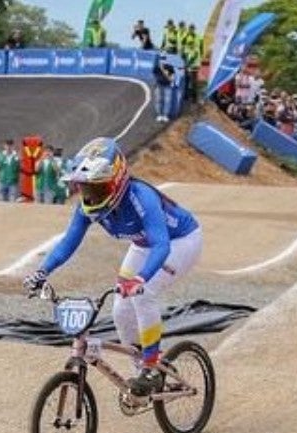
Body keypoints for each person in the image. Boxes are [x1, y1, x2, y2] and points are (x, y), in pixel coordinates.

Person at [22, 137, 203, 397]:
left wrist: (140, 279)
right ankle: (141, 369)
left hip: (180, 241)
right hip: (144, 245)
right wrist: (42, 272)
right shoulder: (88, 206)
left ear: (117, 180)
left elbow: (161, 246)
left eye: (96, 188)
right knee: (120, 309)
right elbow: (68, 242)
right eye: (85, 188)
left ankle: (151, 367)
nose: (89, 195)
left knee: (144, 293)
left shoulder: (142, 197)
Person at [152, 51, 176, 122]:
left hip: (167, 85)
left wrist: (164, 71)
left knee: (167, 100)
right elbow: (154, 76)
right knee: (158, 100)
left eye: (164, 58)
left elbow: (172, 77)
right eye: (161, 58)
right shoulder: (156, 67)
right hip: (159, 85)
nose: (163, 59)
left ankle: (165, 115)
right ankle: (159, 115)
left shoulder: (170, 67)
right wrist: (155, 84)